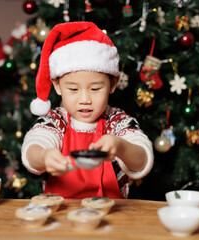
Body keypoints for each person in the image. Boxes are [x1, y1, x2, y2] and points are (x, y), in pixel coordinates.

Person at [21, 21, 154, 199]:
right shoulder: (55, 121)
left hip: (112, 213)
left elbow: (141, 161)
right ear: (58, 86)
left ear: (113, 84)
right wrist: (44, 156)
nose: (85, 100)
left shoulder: (118, 121)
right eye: (73, 90)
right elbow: (33, 149)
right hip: (61, 213)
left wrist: (120, 147)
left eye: (95, 89)